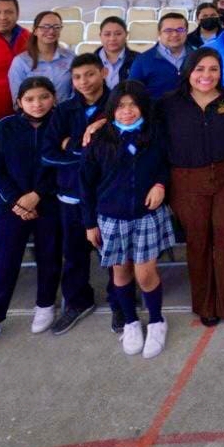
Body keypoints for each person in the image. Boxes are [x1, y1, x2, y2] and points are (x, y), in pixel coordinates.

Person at [0, 76, 64, 360]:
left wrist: (38, 194)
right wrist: (16, 197)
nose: (37, 103)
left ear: (54, 98)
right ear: (19, 102)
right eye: (30, 99)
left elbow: (65, 165)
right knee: (2, 264)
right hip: (11, 207)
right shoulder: (5, 127)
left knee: (50, 256)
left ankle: (45, 304)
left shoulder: (61, 126)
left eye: (44, 97)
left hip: (48, 205)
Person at [81, 81, 173, 358]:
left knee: (145, 274)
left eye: (133, 105)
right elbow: (85, 184)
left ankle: (156, 320)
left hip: (146, 216)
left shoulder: (154, 134)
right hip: (111, 217)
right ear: (112, 109)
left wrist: (160, 184)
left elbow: (166, 165)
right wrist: (89, 223)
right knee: (120, 272)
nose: (127, 111)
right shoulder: (98, 139)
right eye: (120, 106)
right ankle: (131, 321)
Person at [157, 49, 224, 327]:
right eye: (199, 69)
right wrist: (101, 120)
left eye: (213, 69)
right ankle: (205, 304)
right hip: (186, 180)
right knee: (198, 241)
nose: (206, 75)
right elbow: (131, 115)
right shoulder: (167, 104)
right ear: (188, 71)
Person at [47, 54, 106, 334]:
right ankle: (77, 301)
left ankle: (122, 303)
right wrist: (84, 155)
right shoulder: (64, 110)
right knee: (73, 253)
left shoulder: (118, 106)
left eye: (90, 74)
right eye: (78, 77)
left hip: (107, 195)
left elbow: (120, 149)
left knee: (115, 254)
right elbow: (48, 153)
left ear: (103, 73)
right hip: (71, 195)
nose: (84, 82)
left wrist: (71, 145)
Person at [8, 10, 76, 105]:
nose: (51, 31)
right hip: (34, 116)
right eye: (45, 27)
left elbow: (77, 91)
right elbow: (17, 99)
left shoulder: (71, 57)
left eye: (56, 27)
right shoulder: (20, 62)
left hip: (66, 114)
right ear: (35, 30)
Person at [130, 13, 193, 99]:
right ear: (159, 33)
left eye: (180, 29)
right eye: (168, 30)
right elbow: (132, 93)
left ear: (187, 32)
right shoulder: (142, 61)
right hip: (155, 111)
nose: (175, 34)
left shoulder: (197, 57)